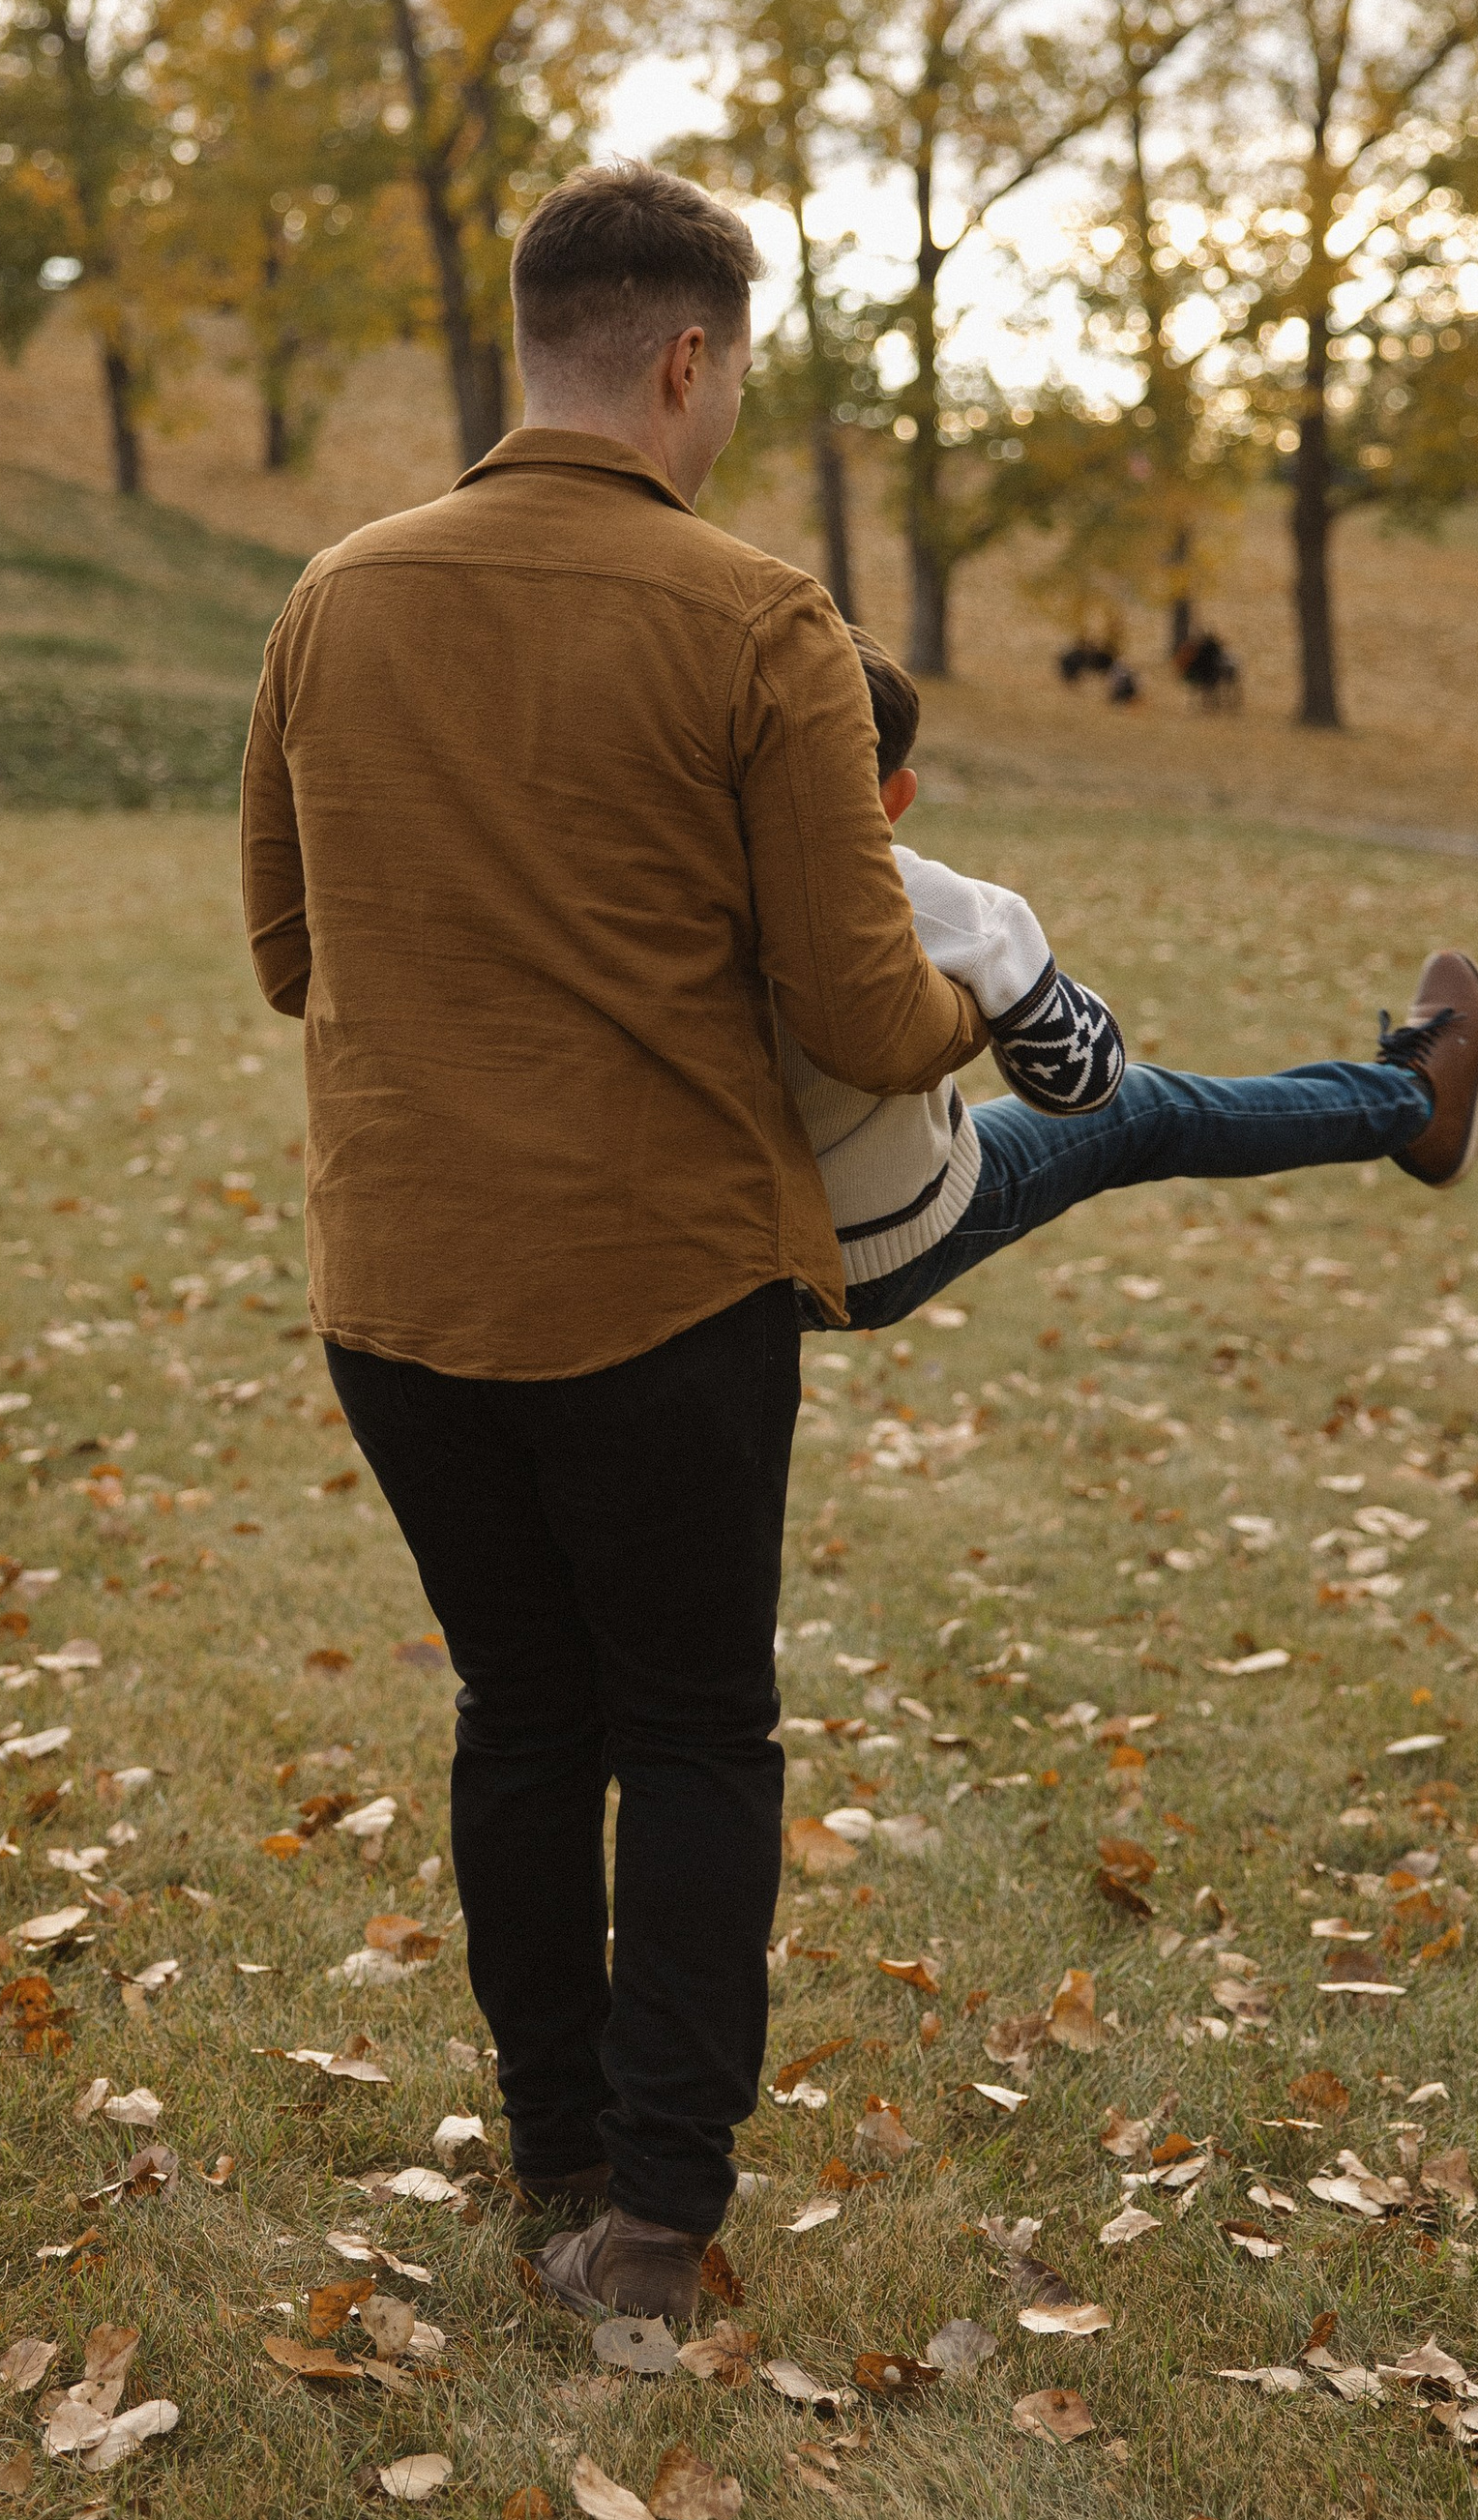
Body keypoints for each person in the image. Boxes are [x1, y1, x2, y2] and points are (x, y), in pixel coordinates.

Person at [240, 161, 990, 2330]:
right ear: (684, 358)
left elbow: (288, 955)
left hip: (401, 1288)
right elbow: (865, 1013)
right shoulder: (759, 622)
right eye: (732, 373)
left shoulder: (331, 600)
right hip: (659, 1285)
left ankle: (557, 2149)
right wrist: (996, 1005)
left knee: (518, 1713)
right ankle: (655, 2227)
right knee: (689, 1730)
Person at [792, 634, 1478, 1336]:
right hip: (875, 1250)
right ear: (896, 798)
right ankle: (1414, 1105)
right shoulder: (919, 900)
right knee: (1145, 1107)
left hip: (734, 1253)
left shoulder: (717, 879)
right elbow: (1083, 1083)